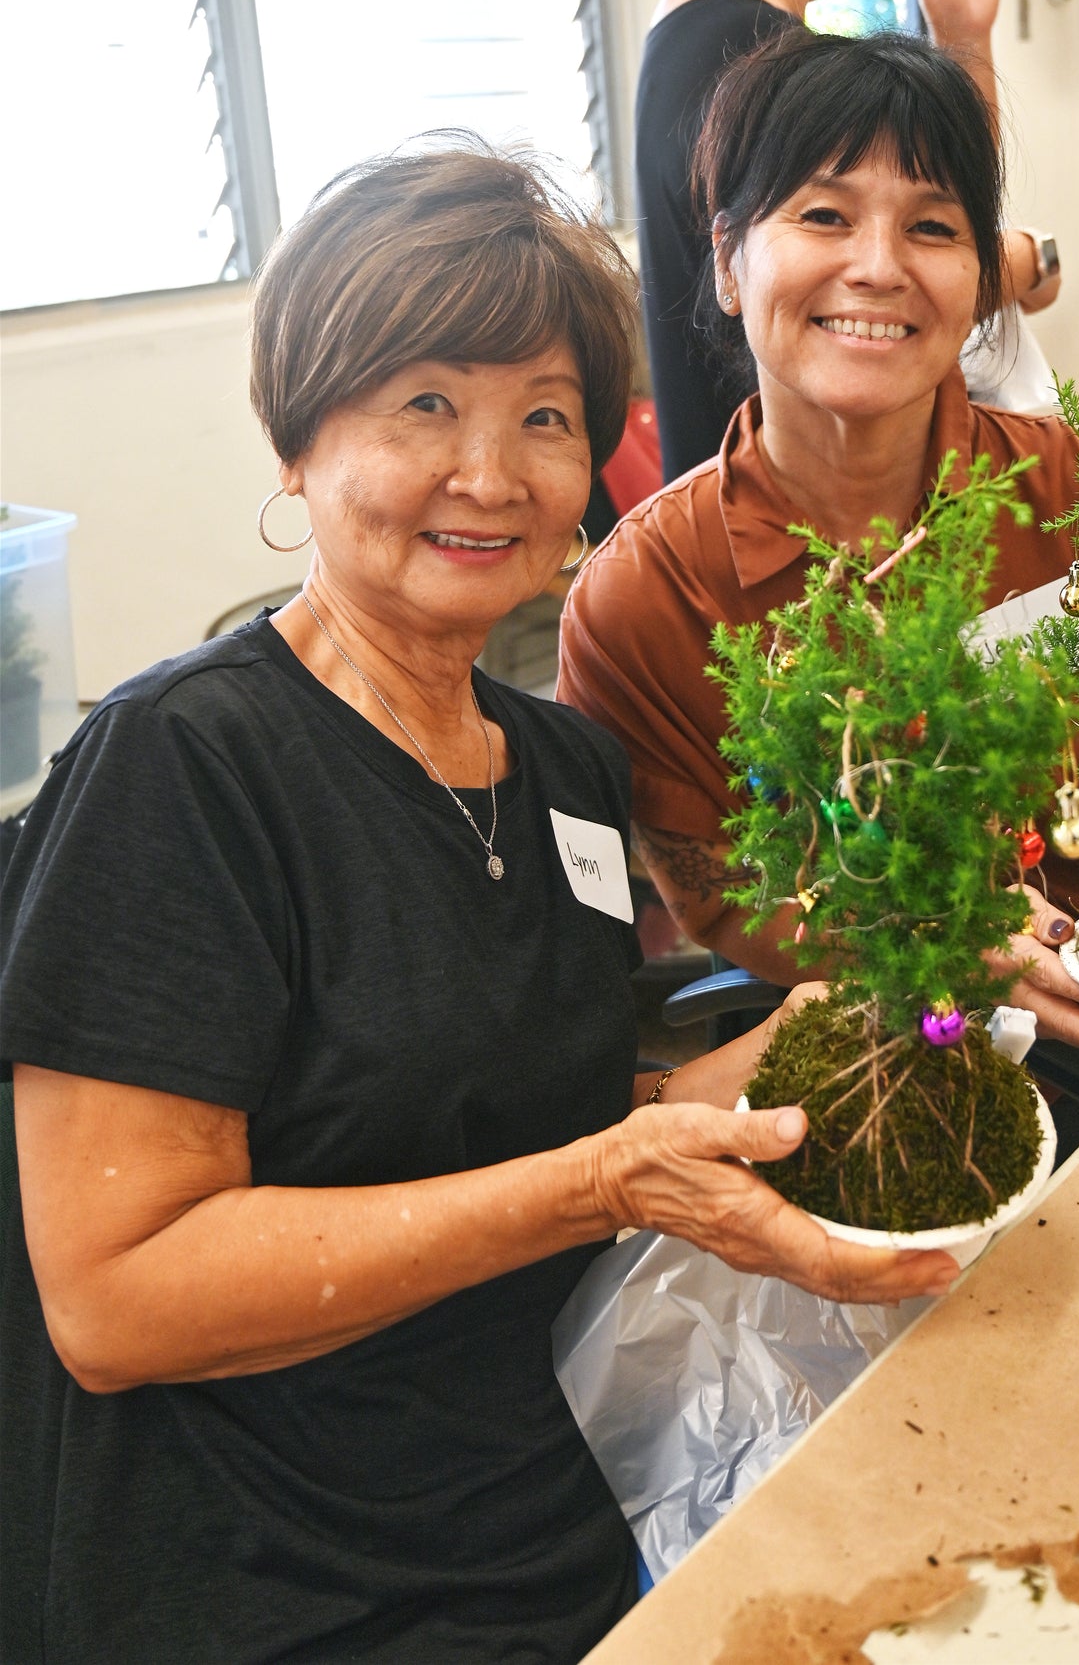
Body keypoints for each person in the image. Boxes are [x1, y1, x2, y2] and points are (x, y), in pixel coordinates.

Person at [0, 139, 960, 1665]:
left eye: (548, 419)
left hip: (563, 1484)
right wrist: (599, 1184)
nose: (491, 473)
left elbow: (564, 1105)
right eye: (426, 405)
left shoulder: (567, 767)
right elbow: (116, 1300)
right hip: (283, 1566)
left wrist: (850, 1027)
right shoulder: (189, 766)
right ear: (301, 437)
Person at [557, 29, 1079, 1062]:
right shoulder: (645, 598)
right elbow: (716, 893)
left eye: (932, 226)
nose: (878, 267)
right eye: (822, 214)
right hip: (909, 1046)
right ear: (724, 260)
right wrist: (937, 937)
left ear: (982, 276)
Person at [620, 0, 1060, 483]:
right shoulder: (747, 53)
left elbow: (942, 214)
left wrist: (961, 36)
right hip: (791, 529)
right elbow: (908, 282)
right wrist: (1028, 258)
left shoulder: (701, 35)